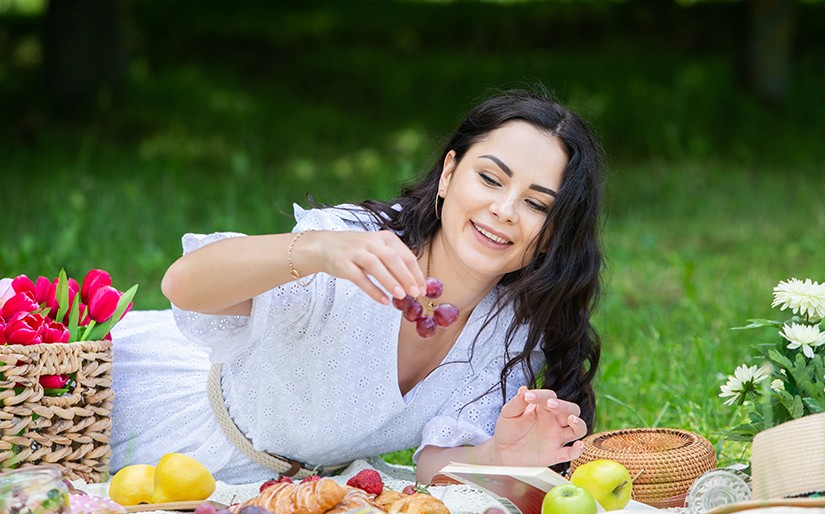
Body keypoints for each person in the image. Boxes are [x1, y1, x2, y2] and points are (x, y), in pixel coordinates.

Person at [110, 87, 603, 485]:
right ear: (449, 174)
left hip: (280, 489)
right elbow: (184, 284)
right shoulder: (356, 245)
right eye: (491, 179)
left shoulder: (510, 330)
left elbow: (433, 465)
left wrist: (498, 452)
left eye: (537, 205)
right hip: (154, 417)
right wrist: (317, 250)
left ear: (552, 236)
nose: (504, 210)